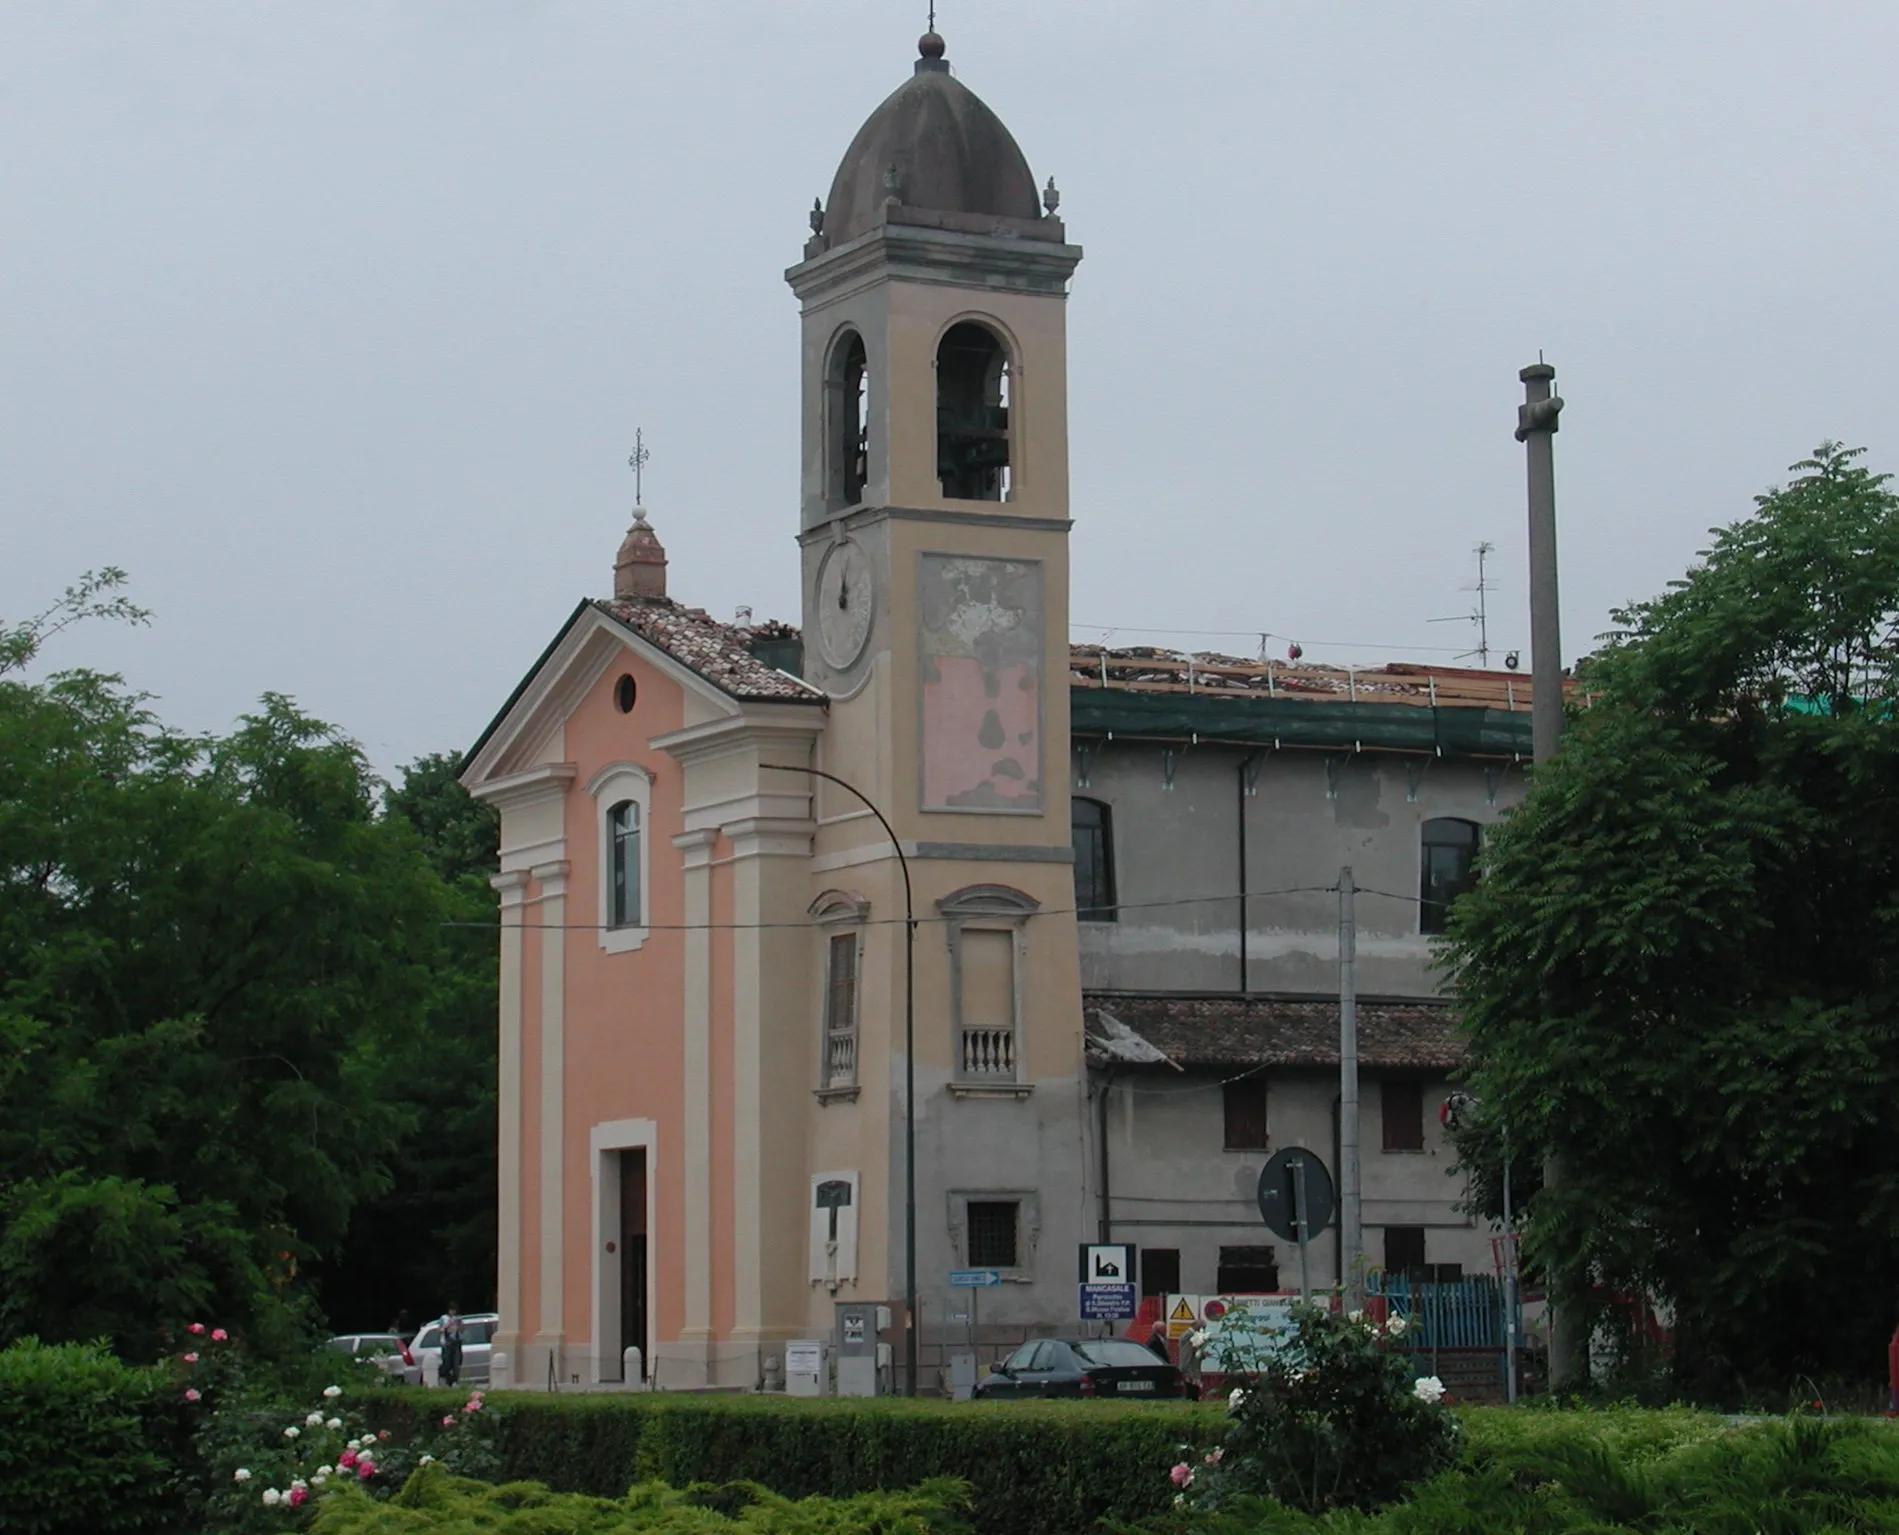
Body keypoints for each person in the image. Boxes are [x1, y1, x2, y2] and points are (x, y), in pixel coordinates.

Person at [439, 1306, 465, 1388]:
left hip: (457, 1343)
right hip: (447, 1344)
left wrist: (458, 1325)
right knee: (447, 1363)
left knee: (456, 1364)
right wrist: (447, 1325)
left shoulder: (458, 1319)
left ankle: (455, 1381)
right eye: (451, 1310)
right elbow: (439, 1330)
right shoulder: (444, 1318)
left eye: (454, 1310)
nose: (453, 1312)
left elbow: (462, 1330)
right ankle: (447, 1380)